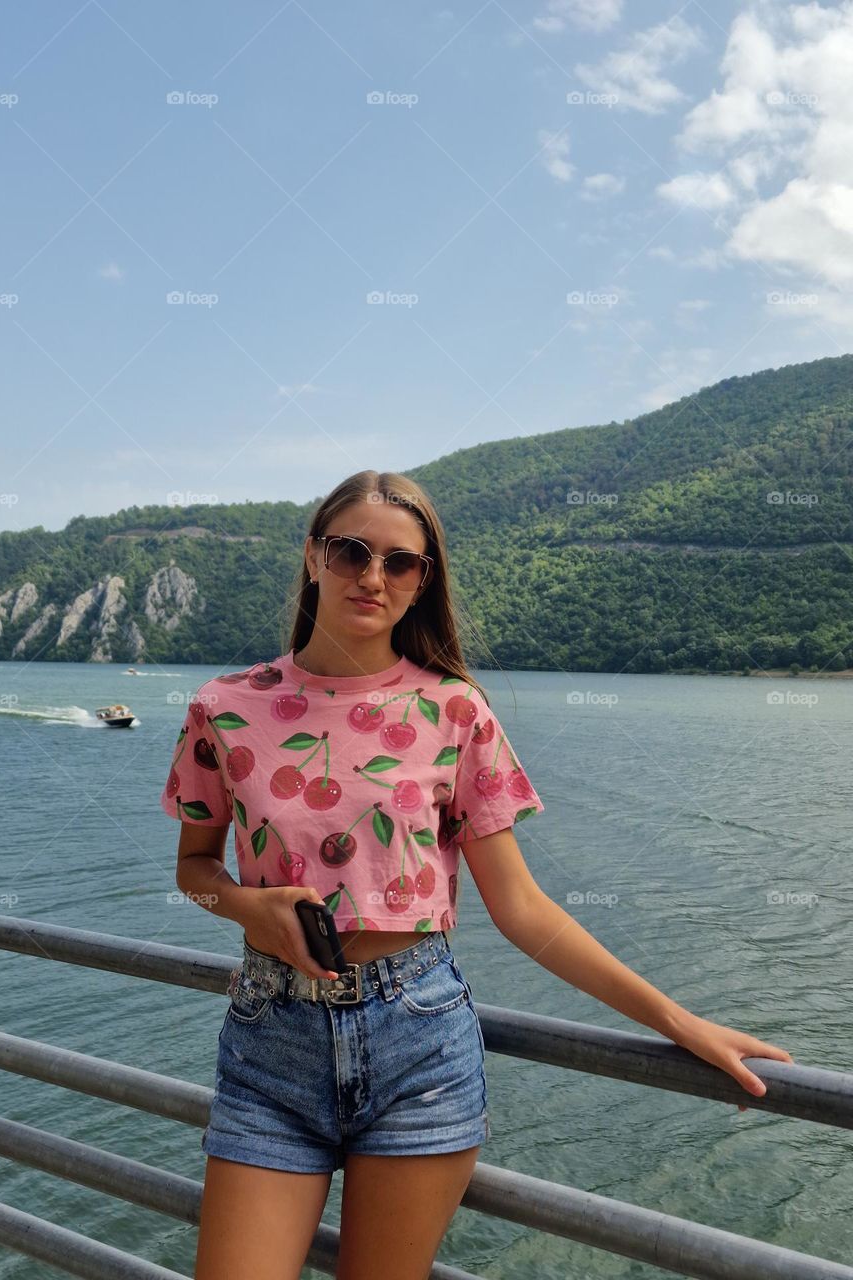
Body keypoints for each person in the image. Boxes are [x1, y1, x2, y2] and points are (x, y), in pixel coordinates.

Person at [160, 469, 793, 1280]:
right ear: (314, 556)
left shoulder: (454, 712)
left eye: (403, 562)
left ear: (424, 582)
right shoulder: (227, 705)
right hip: (270, 1047)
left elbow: (524, 911)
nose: (374, 577)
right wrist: (250, 908)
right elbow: (194, 870)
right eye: (352, 552)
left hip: (417, 1044)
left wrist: (681, 1025)